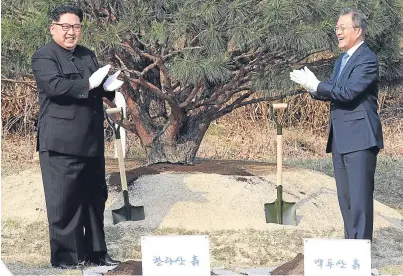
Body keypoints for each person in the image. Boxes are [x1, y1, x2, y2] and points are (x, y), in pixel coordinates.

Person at [31, 5, 123, 269]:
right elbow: (56, 88)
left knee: (95, 199)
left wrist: (108, 90)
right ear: (53, 28)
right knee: (64, 202)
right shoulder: (44, 56)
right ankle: (66, 258)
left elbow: (97, 91)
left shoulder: (87, 55)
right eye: (65, 27)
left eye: (76, 27)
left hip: (91, 140)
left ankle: (96, 253)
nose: (71, 32)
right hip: (61, 143)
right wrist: (90, 84)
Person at [290, 8, 383, 241]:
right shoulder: (342, 60)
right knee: (346, 200)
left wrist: (317, 84)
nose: (338, 32)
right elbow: (332, 89)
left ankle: (360, 256)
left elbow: (348, 92)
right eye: (336, 28)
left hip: (360, 139)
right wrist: (312, 86)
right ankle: (350, 252)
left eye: (343, 28)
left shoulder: (367, 60)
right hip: (340, 139)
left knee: (360, 201)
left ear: (358, 30)